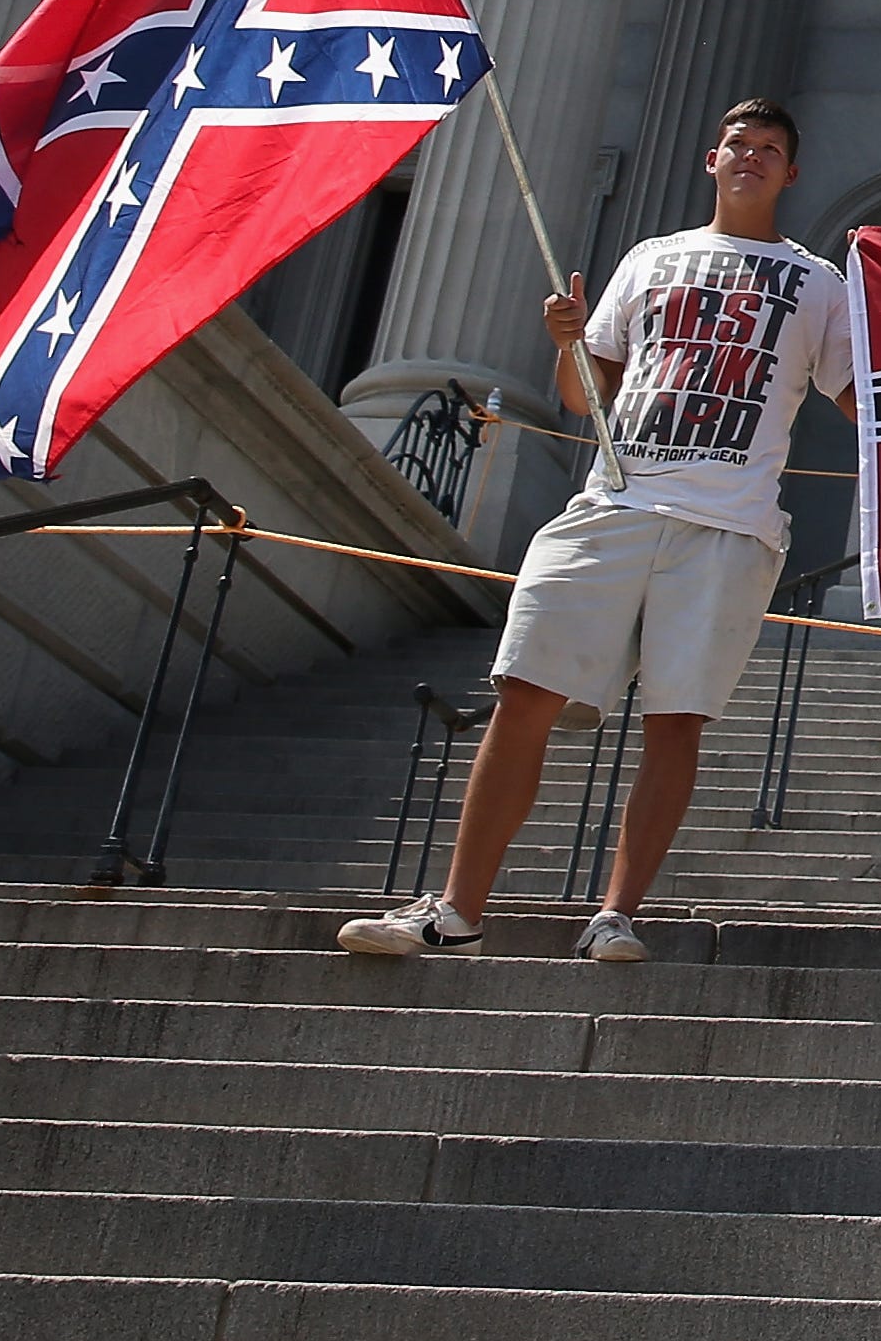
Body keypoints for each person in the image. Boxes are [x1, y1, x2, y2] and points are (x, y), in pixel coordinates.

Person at [341, 98, 849, 961]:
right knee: (525, 694)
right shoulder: (651, 259)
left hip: (729, 525)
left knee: (674, 718)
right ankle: (458, 910)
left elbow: (852, 400)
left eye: (769, 150)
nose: (751, 159)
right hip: (614, 506)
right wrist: (565, 339)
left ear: (791, 174)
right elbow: (586, 394)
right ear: (711, 158)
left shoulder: (818, 284)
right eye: (738, 144)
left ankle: (616, 913)